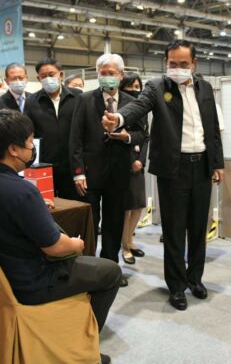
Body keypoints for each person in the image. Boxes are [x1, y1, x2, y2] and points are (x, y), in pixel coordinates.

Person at [0, 110, 120, 364]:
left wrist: (33, 208)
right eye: (30, 141)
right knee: (110, 272)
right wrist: (78, 245)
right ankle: (81, 345)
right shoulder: (21, 191)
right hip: (29, 280)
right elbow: (56, 248)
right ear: (13, 149)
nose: (32, 147)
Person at [103, 40, 224, 311]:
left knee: (198, 227)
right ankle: (177, 286)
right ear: (166, 63)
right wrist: (119, 118)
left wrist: (218, 163)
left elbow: (212, 128)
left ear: (194, 64)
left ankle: (196, 279)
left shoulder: (204, 88)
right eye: (172, 64)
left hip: (202, 165)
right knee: (173, 229)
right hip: (173, 169)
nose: (178, 68)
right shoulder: (157, 87)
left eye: (183, 64)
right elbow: (138, 107)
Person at [69, 53, 147, 288]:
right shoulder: (84, 100)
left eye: (112, 73)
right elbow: (75, 139)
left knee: (114, 223)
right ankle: (90, 268)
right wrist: (78, 172)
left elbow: (143, 134)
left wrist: (127, 137)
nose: (107, 77)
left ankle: (110, 269)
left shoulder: (133, 101)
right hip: (90, 173)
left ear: (121, 75)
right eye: (103, 73)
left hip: (119, 173)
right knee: (92, 222)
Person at [26, 58, 82, 200]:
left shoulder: (78, 96)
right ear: (38, 78)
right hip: (45, 166)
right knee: (47, 207)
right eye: (43, 76)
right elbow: (28, 132)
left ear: (61, 75)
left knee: (74, 207)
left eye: (51, 74)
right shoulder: (32, 101)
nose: (48, 79)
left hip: (73, 165)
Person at [118, 72, 149, 265]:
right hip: (123, 163)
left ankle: (130, 240)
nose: (135, 90)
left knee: (138, 205)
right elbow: (120, 135)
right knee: (126, 208)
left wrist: (141, 160)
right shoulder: (120, 108)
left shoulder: (144, 109)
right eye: (131, 86)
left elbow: (146, 136)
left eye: (138, 86)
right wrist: (131, 159)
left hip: (138, 164)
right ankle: (124, 246)